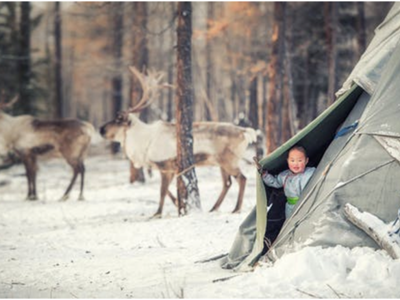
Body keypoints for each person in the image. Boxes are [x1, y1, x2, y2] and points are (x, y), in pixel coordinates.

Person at [261, 145, 315, 218]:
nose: (296, 164)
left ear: (306, 161)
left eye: (300, 160)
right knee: (290, 224)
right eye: (292, 160)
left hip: (306, 205)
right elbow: (275, 182)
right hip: (290, 206)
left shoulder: (310, 173)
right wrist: (266, 176)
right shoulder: (284, 175)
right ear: (287, 161)